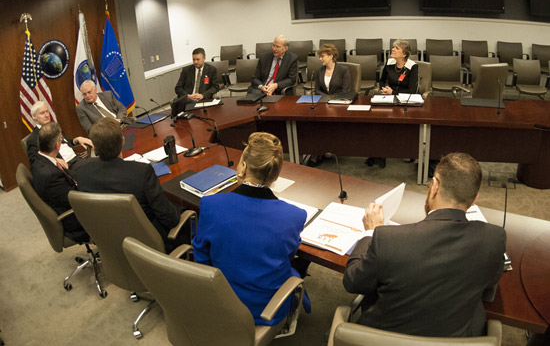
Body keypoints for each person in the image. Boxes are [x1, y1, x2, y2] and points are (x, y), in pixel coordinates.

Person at [343, 152, 506, 337]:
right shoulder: (495, 239)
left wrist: (370, 232)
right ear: (475, 198)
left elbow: (352, 281)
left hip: (386, 337)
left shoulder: (387, 239)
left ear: (434, 186)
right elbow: (488, 288)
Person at [193, 132, 310, 326]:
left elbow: (202, 257)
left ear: (244, 167)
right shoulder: (295, 216)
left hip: (219, 300)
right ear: (275, 174)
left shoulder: (211, 204)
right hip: (266, 309)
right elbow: (286, 258)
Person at [76, 117, 183, 252]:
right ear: (123, 142)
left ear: (95, 149)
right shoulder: (141, 172)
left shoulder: (82, 174)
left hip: (110, 241)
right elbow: (170, 219)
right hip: (149, 244)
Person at [30, 122, 89, 242]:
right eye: (61, 140)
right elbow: (74, 199)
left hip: (67, 199)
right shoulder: (50, 175)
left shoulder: (41, 159)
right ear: (57, 145)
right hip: (75, 218)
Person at [366, 40, 419, 169]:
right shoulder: (389, 63)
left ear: (404, 54)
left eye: (397, 48)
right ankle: (378, 155)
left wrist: (393, 92)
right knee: (378, 122)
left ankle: (406, 151)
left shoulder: (412, 66)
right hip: (388, 98)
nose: (393, 49)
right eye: (393, 47)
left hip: (404, 101)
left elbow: (412, 90)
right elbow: (382, 80)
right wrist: (384, 89)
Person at [26, 101, 93, 170]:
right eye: (42, 113)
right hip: (66, 167)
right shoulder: (33, 139)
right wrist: (54, 160)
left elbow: (64, 142)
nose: (46, 115)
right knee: (98, 164)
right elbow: (35, 162)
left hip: (77, 158)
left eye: (47, 111)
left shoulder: (54, 126)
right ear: (34, 117)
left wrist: (76, 140)